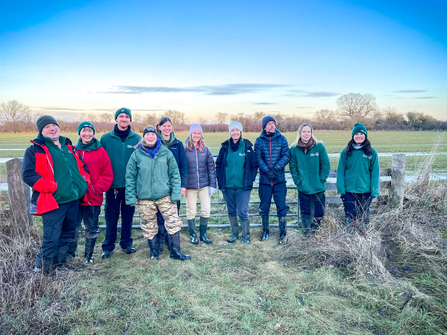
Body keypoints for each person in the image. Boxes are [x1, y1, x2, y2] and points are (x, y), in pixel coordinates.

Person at [22, 115, 89, 275]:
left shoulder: (69, 147)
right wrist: (51, 186)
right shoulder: (35, 150)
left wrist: (83, 183)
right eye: (47, 127)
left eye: (54, 125)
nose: (52, 129)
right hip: (53, 201)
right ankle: (42, 270)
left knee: (67, 234)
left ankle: (60, 265)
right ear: (41, 131)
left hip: (73, 199)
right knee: (51, 237)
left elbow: (82, 167)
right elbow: (28, 174)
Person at [125, 126, 191, 261]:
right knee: (149, 226)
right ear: (143, 137)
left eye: (152, 135)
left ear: (157, 136)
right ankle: (154, 252)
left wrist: (176, 194)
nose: (150, 137)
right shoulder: (136, 155)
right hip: (145, 198)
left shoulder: (165, 153)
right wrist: (131, 197)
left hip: (164, 196)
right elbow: (130, 177)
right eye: (147, 135)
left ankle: (175, 251)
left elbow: (175, 174)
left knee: (173, 223)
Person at [67, 122, 113, 263]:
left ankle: (88, 256)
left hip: (93, 198)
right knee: (73, 228)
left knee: (91, 228)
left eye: (90, 131)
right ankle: (70, 256)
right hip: (75, 198)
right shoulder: (72, 151)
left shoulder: (101, 152)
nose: (87, 134)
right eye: (84, 131)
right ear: (79, 133)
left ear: (93, 133)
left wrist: (95, 189)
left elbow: (107, 175)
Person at [100, 107, 141, 258]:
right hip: (112, 186)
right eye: (121, 116)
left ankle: (126, 243)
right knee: (111, 216)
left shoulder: (137, 139)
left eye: (127, 117)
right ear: (116, 119)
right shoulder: (105, 139)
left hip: (130, 186)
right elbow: (100, 161)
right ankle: (108, 246)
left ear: (130, 120)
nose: (124, 119)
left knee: (128, 215)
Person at [216, 121, 257, 244]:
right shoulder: (224, 148)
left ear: (241, 132)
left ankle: (246, 236)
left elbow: (254, 165)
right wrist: (220, 179)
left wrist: (251, 178)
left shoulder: (247, 147)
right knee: (231, 211)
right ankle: (234, 234)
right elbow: (218, 165)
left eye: (237, 130)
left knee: (243, 211)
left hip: (243, 186)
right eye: (232, 130)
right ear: (230, 132)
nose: (235, 132)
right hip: (228, 186)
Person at [337, 122, 380, 233]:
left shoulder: (371, 152)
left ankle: (363, 236)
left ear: (365, 136)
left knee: (363, 216)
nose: (359, 136)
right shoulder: (346, 152)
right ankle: (350, 236)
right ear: (353, 136)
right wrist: (341, 189)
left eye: (361, 134)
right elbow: (340, 171)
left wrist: (375, 191)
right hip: (349, 190)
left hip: (365, 191)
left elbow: (375, 173)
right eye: (356, 134)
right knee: (350, 215)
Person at [289, 123, 330, 237]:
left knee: (319, 211)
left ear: (311, 133)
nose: (306, 134)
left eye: (308, 131)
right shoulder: (294, 149)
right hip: (303, 187)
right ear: (300, 133)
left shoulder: (319, 147)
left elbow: (325, 164)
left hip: (318, 187)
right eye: (304, 132)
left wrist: (321, 179)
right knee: (305, 211)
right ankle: (307, 232)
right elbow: (292, 168)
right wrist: (298, 182)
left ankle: (317, 231)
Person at [254, 116, 290, 245]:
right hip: (265, 181)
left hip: (279, 180)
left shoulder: (282, 139)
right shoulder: (259, 141)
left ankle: (283, 233)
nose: (272, 126)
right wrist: (266, 171)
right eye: (269, 124)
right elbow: (257, 157)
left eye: (273, 123)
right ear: (264, 126)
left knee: (281, 207)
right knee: (264, 207)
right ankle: (265, 231)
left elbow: (286, 155)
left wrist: (276, 169)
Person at [154, 117, 188, 253]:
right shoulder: (154, 142)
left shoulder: (178, 144)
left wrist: (183, 185)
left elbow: (183, 165)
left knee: (173, 213)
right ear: (159, 127)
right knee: (160, 214)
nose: (167, 128)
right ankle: (160, 241)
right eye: (164, 126)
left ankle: (171, 240)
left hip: (174, 185)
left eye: (169, 126)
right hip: (159, 184)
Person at [184, 124, 217, 244]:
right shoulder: (185, 150)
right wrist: (183, 185)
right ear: (191, 134)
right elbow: (182, 168)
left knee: (206, 210)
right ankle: (193, 234)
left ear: (201, 135)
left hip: (204, 186)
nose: (196, 135)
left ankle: (203, 234)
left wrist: (212, 185)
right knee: (191, 210)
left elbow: (211, 168)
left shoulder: (205, 150)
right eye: (194, 133)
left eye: (199, 133)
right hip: (190, 187)